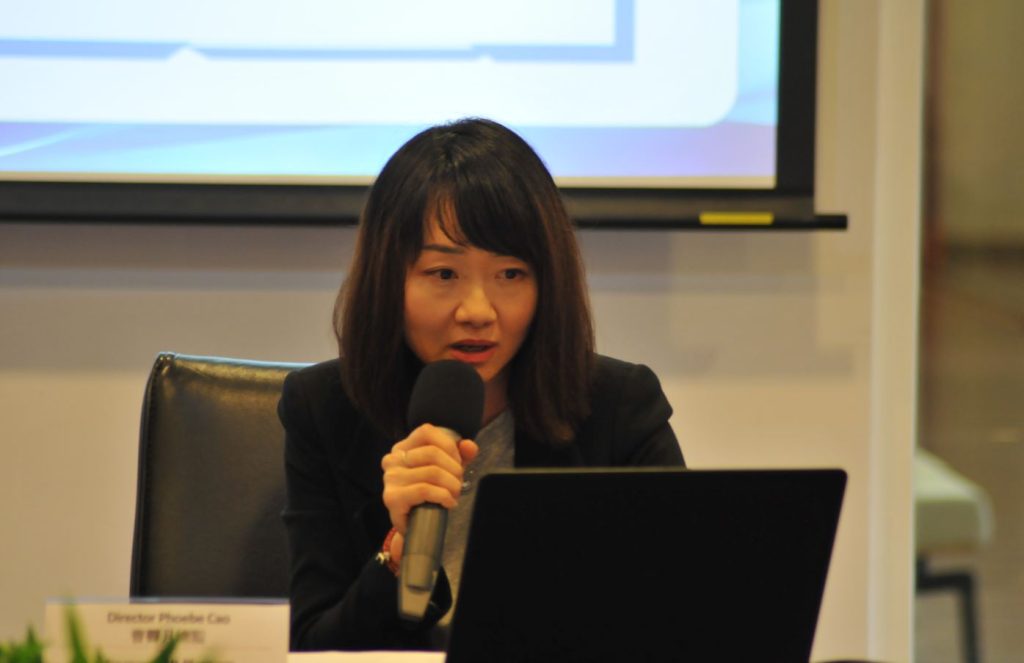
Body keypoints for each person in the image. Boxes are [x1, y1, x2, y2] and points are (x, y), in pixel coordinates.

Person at [279, 117, 685, 652]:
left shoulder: (619, 408)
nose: (478, 311)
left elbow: (683, 613)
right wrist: (397, 556)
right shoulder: (324, 409)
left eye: (510, 274)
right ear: (388, 278)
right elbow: (314, 648)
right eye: (444, 274)